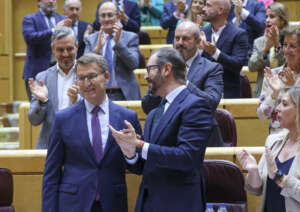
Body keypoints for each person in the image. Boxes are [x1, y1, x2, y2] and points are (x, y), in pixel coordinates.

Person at [108, 47, 213, 212]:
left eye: (150, 69)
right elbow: (144, 166)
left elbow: (186, 157)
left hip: (179, 204)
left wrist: (140, 145)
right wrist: (130, 152)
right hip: (148, 203)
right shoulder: (153, 114)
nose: (146, 76)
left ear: (166, 69)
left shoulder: (195, 105)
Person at [42, 53, 142, 212]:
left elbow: (139, 168)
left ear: (106, 76)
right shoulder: (63, 119)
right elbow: (51, 173)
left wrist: (131, 153)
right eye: (81, 78)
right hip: (73, 204)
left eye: (91, 76)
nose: (86, 83)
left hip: (112, 203)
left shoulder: (126, 117)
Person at [238, 86, 300, 212]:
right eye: (278, 103)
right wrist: (253, 171)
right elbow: (256, 189)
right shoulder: (273, 141)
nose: (277, 108)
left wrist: (279, 177)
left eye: (284, 104)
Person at [142, 21, 224, 146]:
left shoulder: (211, 68)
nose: (180, 43)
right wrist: (156, 82)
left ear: (198, 42)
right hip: (166, 138)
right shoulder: (163, 68)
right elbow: (147, 106)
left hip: (200, 138)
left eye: (185, 39)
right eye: (177, 38)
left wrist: (182, 82)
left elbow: (211, 103)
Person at [257, 24, 300, 134]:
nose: (287, 50)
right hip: (276, 139)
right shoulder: (272, 76)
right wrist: (275, 93)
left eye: (292, 46)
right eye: (285, 45)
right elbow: (261, 115)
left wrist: (293, 88)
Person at [28, 27, 80, 149]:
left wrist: (77, 100)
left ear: (77, 46)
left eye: (70, 49)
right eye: (60, 50)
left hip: (80, 146)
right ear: (53, 49)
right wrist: (42, 102)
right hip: (50, 146)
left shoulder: (88, 74)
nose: (65, 54)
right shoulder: (42, 78)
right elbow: (34, 120)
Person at [85, 1, 141, 101]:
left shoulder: (131, 37)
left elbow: (133, 64)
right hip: (97, 94)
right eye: (103, 15)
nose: (106, 19)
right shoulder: (91, 39)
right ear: (98, 18)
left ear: (118, 17)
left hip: (123, 94)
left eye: (110, 15)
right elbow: (84, 68)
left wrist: (118, 44)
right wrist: (97, 50)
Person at [201, 0, 248, 98]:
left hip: (228, 93)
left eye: (208, 6)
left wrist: (215, 53)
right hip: (203, 92)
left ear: (220, 10)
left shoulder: (238, 34)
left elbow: (237, 65)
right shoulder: (202, 32)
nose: (203, 9)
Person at [22, 0, 64, 100]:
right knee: (38, 108)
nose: (51, 1)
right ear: (38, 2)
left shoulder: (62, 19)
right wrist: (53, 30)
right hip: (36, 72)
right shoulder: (29, 19)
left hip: (60, 72)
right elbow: (30, 38)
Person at [249, 2, 289, 97]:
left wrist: (277, 45)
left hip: (286, 91)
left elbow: (288, 65)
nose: (267, 20)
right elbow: (251, 67)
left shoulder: (290, 40)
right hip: (263, 93)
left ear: (282, 20)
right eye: (266, 17)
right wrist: (265, 50)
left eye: (272, 17)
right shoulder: (259, 42)